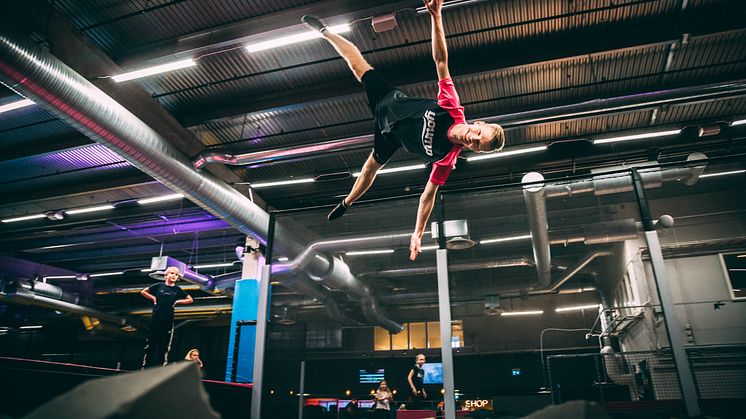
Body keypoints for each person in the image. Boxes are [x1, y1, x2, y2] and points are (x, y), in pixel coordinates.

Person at [301, 0, 505, 261]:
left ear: (476, 151)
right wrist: (436, 16)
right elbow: (441, 60)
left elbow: (427, 197)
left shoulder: (446, 158)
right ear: (479, 124)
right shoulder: (452, 107)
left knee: (369, 170)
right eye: (479, 135)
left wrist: (418, 233)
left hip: (389, 136)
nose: (473, 139)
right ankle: (324, 32)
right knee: (356, 64)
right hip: (389, 101)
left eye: (478, 145)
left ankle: (347, 202)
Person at [140, 266, 193, 368]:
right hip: (155, 320)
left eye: (176, 275)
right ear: (166, 275)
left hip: (167, 322)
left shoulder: (177, 290)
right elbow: (143, 291)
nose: (174, 275)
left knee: (163, 346)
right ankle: (146, 367)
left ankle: (161, 368)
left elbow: (190, 299)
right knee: (151, 345)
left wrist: (178, 301)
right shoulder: (159, 286)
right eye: (172, 273)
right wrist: (153, 298)